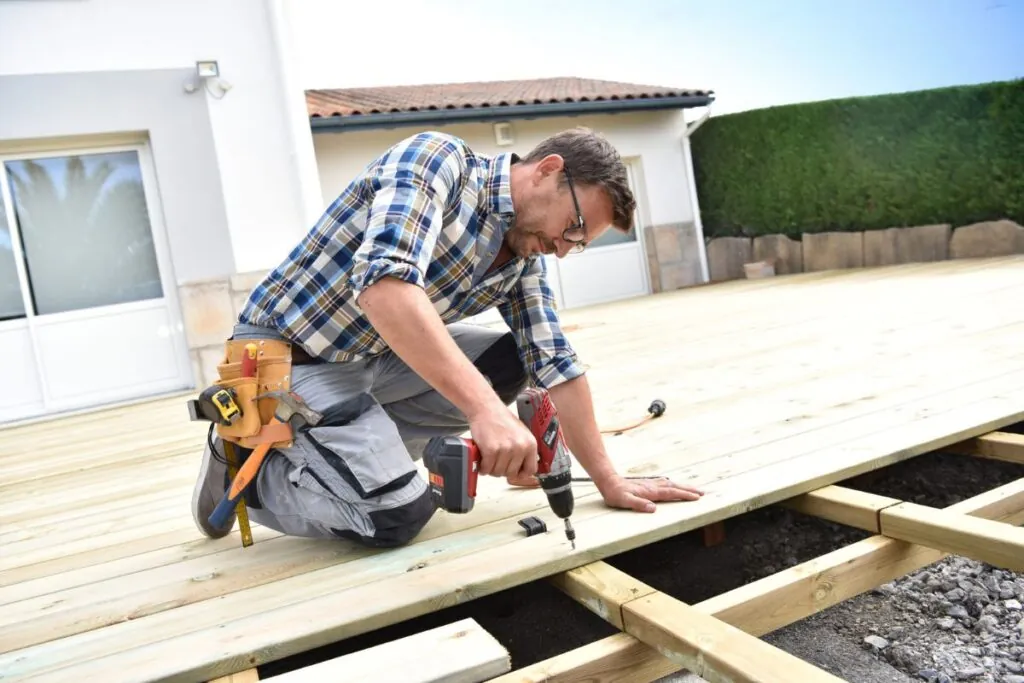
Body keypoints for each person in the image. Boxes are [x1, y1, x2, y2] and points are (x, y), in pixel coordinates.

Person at [191, 127, 704, 548]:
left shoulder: (521, 256)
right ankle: (248, 471)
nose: (566, 250)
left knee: (512, 362)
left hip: (372, 356)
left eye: (580, 244)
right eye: (573, 227)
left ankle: (358, 451)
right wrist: (488, 414)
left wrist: (609, 480)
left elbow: (555, 361)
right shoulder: (439, 161)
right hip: (291, 357)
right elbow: (384, 290)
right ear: (548, 169)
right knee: (396, 514)